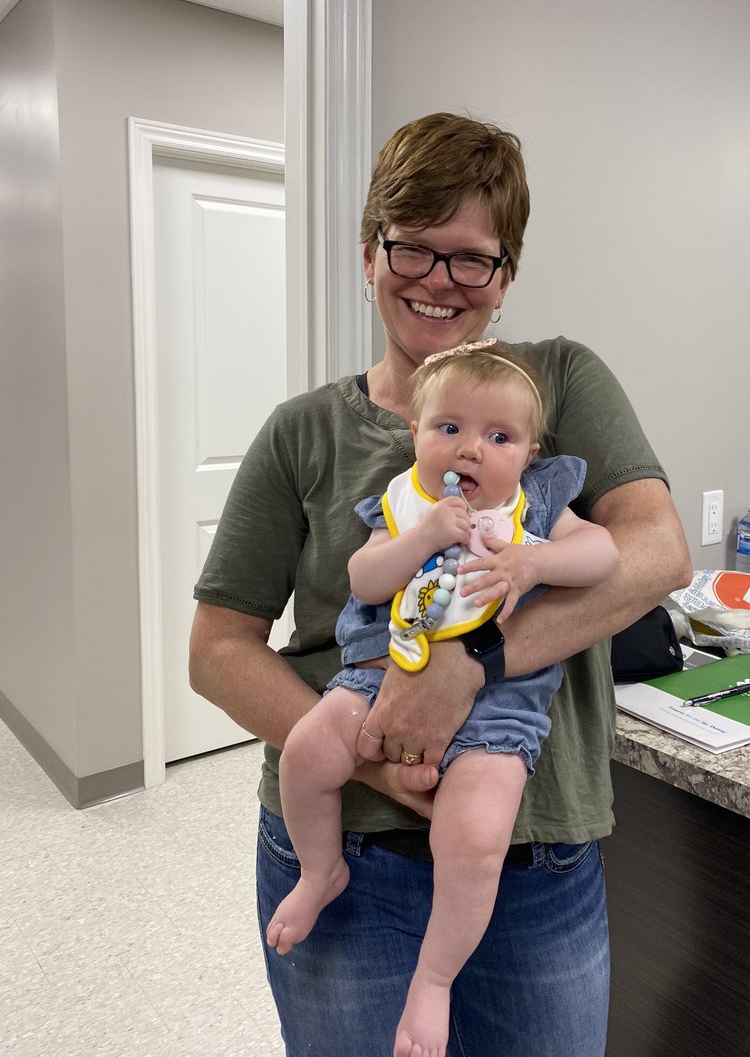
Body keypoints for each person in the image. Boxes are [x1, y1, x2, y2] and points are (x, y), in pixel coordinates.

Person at [189, 111, 692, 1057]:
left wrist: (472, 664)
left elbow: (657, 552)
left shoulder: (555, 389)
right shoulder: (303, 433)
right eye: (413, 248)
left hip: (536, 854)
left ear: (505, 277)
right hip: (351, 854)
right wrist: (375, 750)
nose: (440, 282)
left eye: (473, 259)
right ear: (369, 253)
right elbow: (217, 650)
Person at [265, 340, 619, 1057]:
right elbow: (366, 581)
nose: (471, 450)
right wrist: (423, 534)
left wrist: (535, 559)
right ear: (416, 434)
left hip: (502, 704)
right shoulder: (403, 502)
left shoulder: (540, 504)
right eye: (448, 428)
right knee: (304, 753)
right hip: (378, 672)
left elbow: (607, 556)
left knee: (475, 836)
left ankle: (433, 980)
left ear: (529, 452)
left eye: (499, 437)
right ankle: (319, 868)